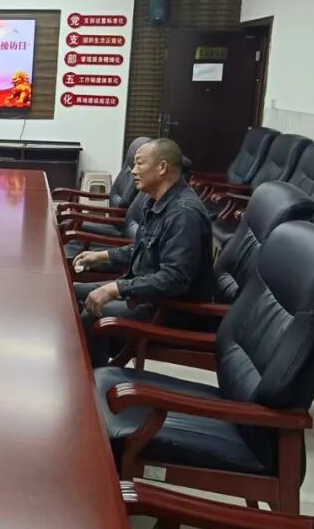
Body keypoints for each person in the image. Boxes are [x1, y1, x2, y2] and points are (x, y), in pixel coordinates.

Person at [72, 138, 213, 367]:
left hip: (168, 309)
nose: (133, 170)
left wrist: (116, 287)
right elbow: (144, 248)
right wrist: (102, 256)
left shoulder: (184, 214)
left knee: (91, 312)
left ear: (162, 167)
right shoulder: (154, 200)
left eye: (139, 164)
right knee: (71, 293)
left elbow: (174, 279)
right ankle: (82, 365)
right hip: (144, 292)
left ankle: (92, 379)